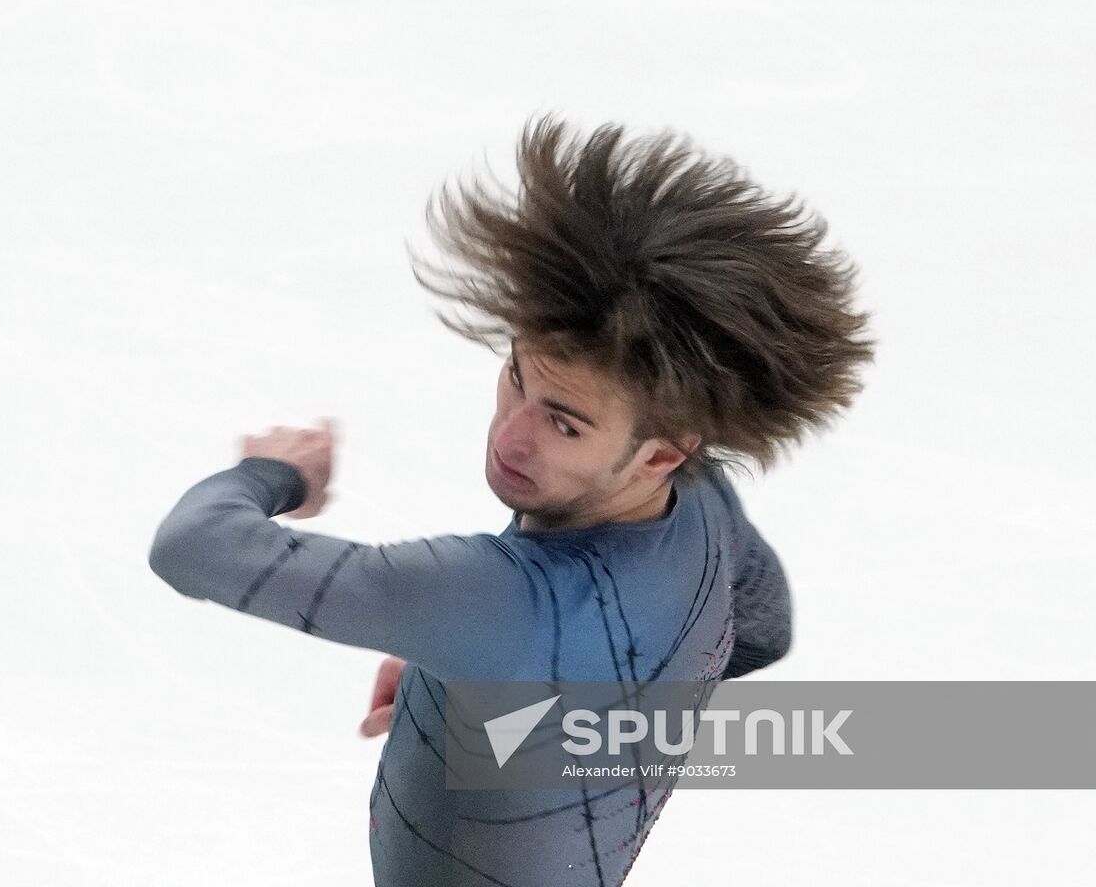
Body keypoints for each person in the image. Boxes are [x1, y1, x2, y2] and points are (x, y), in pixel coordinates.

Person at [148, 113, 875, 886]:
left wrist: (276, 472)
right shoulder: (702, 506)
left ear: (661, 452)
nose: (511, 435)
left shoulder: (494, 597)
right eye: (516, 376)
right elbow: (760, 629)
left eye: (563, 423)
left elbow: (193, 547)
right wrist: (503, 700)